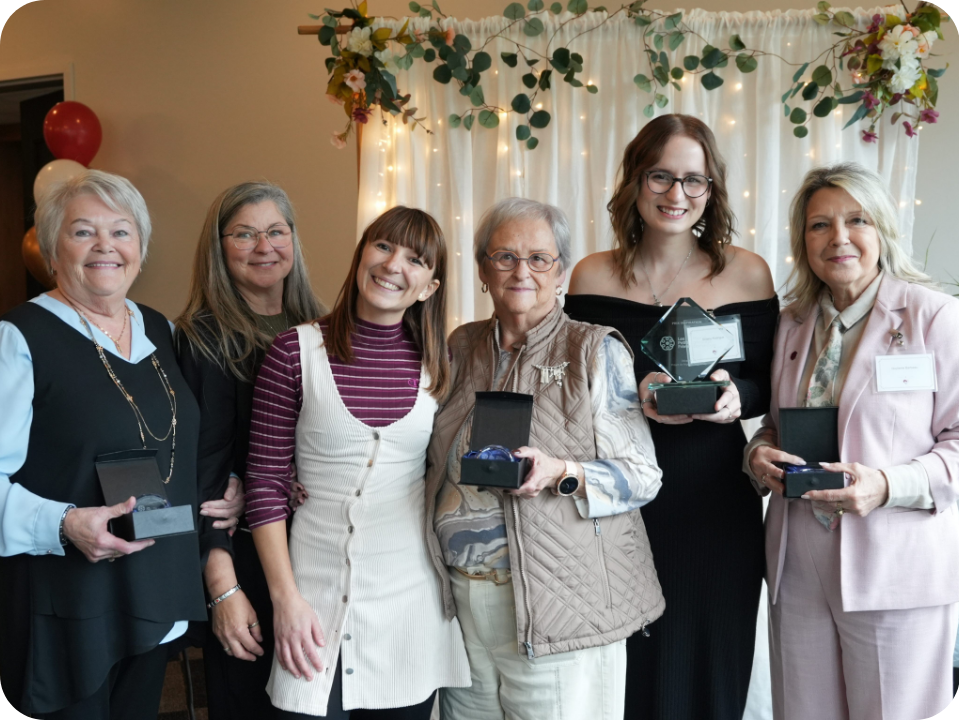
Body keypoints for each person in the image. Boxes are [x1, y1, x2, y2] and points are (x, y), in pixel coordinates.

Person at [565, 113, 778, 720]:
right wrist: (638, 394)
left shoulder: (748, 270)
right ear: (635, 180)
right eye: (660, 176)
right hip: (622, 496)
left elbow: (768, 380)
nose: (676, 194)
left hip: (716, 497)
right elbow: (576, 390)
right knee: (627, 667)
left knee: (712, 659)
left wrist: (737, 397)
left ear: (712, 190)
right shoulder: (590, 274)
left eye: (694, 180)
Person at [429, 197, 665, 720]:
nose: (522, 271)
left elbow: (643, 477)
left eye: (540, 258)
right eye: (505, 257)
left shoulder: (593, 350)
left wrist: (564, 472)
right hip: (461, 610)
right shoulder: (460, 347)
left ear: (561, 272)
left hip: (558, 607)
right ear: (483, 269)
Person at [745, 162, 959, 720]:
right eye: (820, 225)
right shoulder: (791, 324)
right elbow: (775, 422)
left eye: (856, 220)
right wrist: (757, 452)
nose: (838, 238)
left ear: (882, 229)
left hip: (894, 557)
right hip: (799, 562)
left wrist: (886, 484)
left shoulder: (934, 318)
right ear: (803, 241)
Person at [245, 206, 470, 718]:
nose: (394, 265)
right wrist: (285, 600)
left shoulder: (441, 366)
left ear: (430, 287)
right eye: (384, 246)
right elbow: (264, 484)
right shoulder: (292, 352)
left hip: (410, 604)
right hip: (312, 597)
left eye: (415, 259)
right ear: (362, 253)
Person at [0, 170, 206, 719]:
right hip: (69, 603)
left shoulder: (160, 330)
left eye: (121, 232)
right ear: (50, 247)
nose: (105, 247)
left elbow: (177, 443)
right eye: (82, 232)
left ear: (140, 247)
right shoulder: (19, 338)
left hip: (153, 592)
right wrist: (64, 523)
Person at [175, 182, 325, 719]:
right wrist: (223, 592)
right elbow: (203, 478)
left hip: (316, 556)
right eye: (244, 233)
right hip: (246, 565)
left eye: (275, 231)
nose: (264, 246)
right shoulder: (202, 339)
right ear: (219, 247)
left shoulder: (324, 328)